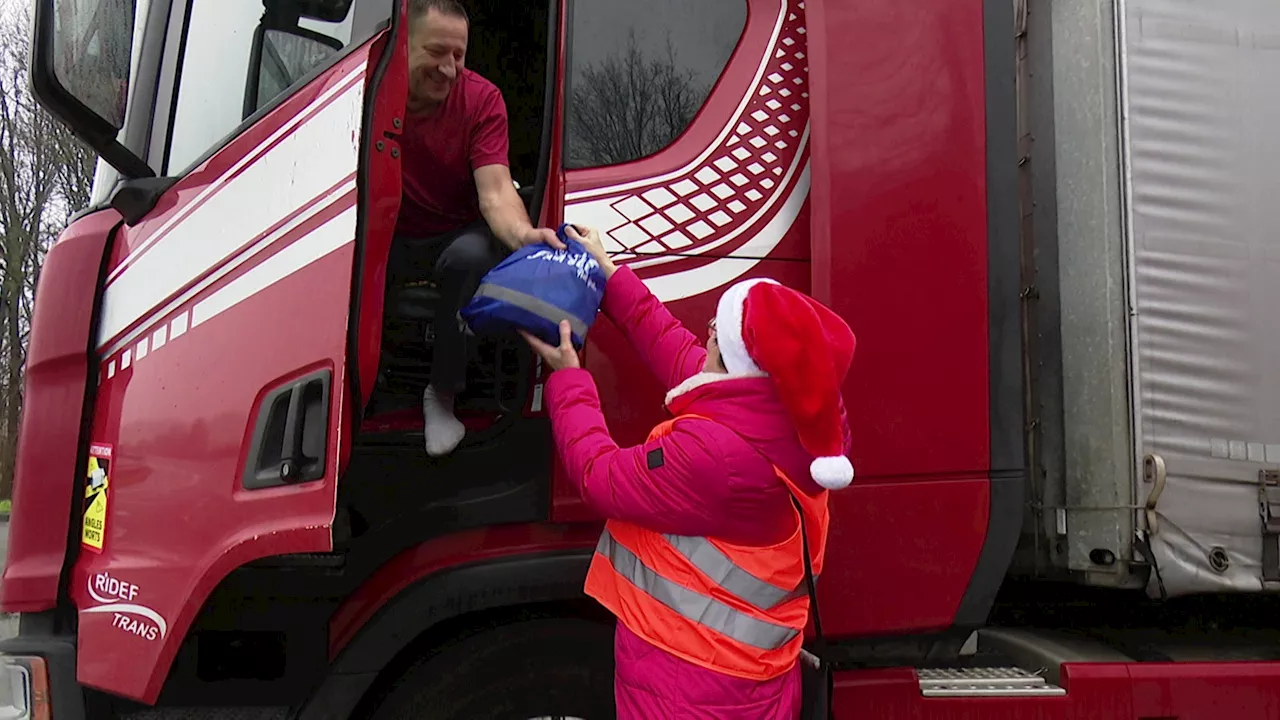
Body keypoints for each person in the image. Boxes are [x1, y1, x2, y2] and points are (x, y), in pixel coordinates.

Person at [522, 226, 857, 718]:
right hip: (750, 678)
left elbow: (598, 475)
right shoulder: (781, 415)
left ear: (739, 361)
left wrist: (568, 377)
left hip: (689, 685)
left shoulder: (714, 456)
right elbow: (677, 350)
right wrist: (612, 277)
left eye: (716, 334)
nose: (705, 333)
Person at [390, 0, 563, 456]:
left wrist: (526, 237)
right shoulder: (368, 90)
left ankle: (442, 395)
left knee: (470, 257)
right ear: (403, 45)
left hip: (456, 231)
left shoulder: (482, 101)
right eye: (436, 52)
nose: (448, 69)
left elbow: (496, 193)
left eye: (459, 56)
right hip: (387, 232)